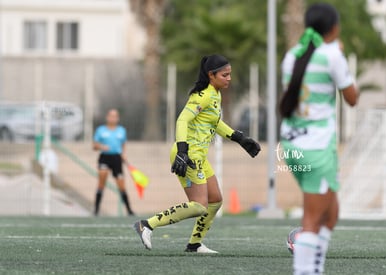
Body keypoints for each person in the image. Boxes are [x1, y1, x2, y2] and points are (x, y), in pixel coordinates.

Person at [133, 54, 261, 253]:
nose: (229, 78)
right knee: (199, 206)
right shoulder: (204, 95)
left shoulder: (215, 93)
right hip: (188, 154)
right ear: (212, 75)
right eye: (225, 75)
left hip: (199, 156)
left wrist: (239, 138)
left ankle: (194, 244)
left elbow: (213, 122)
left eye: (230, 75)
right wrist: (182, 152)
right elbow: (182, 120)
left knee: (215, 200)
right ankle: (147, 224)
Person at [279, 3, 358, 275]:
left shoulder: (292, 56)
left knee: (331, 214)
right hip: (315, 147)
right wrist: (340, 59)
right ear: (334, 28)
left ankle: (315, 267)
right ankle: (306, 270)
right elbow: (352, 98)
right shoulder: (332, 56)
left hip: (292, 144)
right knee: (313, 219)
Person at [93, 109, 134, 216]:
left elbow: (123, 144)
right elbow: (94, 146)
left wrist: (123, 154)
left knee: (121, 185)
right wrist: (102, 146)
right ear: (107, 117)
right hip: (104, 157)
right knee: (102, 180)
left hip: (117, 159)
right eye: (111, 116)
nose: (113, 118)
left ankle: (129, 210)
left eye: (115, 116)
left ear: (118, 118)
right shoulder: (101, 130)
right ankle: (96, 210)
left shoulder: (121, 130)